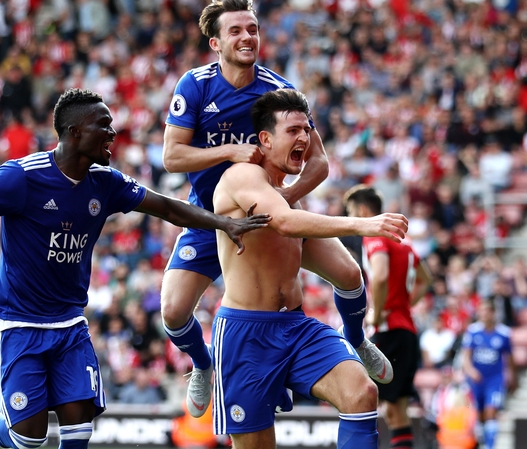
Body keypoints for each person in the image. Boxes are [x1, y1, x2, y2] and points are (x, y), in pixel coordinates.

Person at [0, 88, 270, 449]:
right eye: (104, 125)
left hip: (69, 321)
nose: (113, 134)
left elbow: (169, 208)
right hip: (20, 320)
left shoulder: (107, 182)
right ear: (75, 132)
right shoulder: (21, 177)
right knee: (26, 440)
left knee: (79, 432)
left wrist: (223, 223)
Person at [162, 0, 382, 418]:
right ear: (215, 42)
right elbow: (172, 157)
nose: (247, 37)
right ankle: (203, 363)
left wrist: (285, 200)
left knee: (351, 274)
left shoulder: (278, 90)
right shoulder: (194, 85)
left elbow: (319, 162)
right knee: (173, 312)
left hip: (270, 215)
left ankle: (355, 338)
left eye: (253, 29)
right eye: (236, 31)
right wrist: (230, 151)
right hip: (210, 217)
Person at [211, 88, 408, 448]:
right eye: (293, 131)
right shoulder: (241, 176)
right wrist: (363, 224)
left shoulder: (286, 191)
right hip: (246, 336)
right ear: (265, 140)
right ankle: (197, 360)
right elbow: (284, 221)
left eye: (306, 129)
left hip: (296, 327)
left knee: (362, 392)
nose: (304, 137)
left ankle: (356, 338)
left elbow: (341, 268)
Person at [344, 184, 433, 449]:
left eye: (350, 212)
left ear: (361, 210)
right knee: (396, 410)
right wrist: (403, 304)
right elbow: (425, 280)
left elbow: (380, 275)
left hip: (389, 331)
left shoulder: (375, 237)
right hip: (406, 331)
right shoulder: (402, 244)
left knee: (360, 398)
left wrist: (376, 313)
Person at [460, 300, 517, 449]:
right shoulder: (472, 331)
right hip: (476, 380)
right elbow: (465, 357)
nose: (484, 314)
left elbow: (510, 359)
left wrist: (512, 377)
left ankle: (490, 446)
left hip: (495, 380)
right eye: (481, 311)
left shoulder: (504, 333)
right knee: (479, 415)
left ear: (493, 313)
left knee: (491, 411)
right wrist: (471, 371)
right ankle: (482, 442)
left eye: (487, 311)